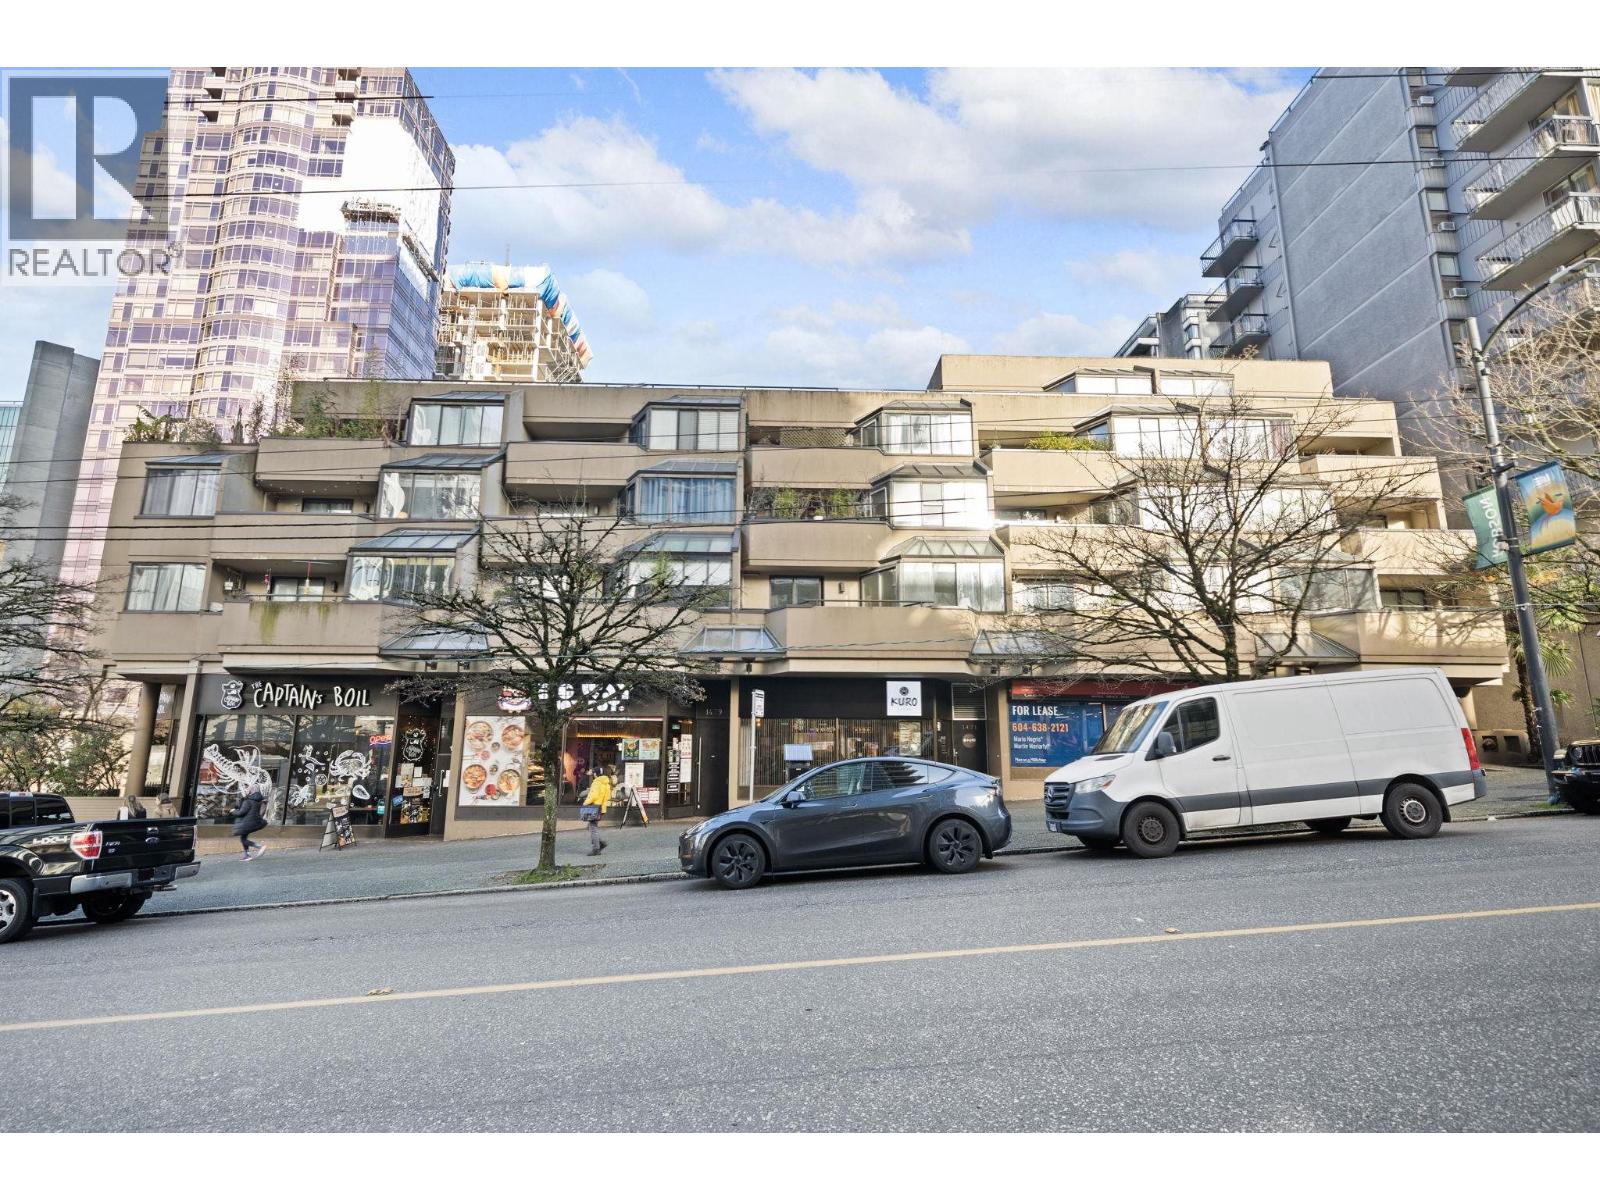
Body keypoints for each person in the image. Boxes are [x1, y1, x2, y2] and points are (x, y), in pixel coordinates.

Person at [229, 785, 269, 861]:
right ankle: (247, 855)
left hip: (246, 823)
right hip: (251, 822)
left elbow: (241, 813)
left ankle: (260, 847)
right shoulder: (257, 801)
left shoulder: (248, 801)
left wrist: (233, 811)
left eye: (248, 790)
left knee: (243, 839)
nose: (246, 791)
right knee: (243, 838)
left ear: (251, 791)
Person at [582, 767, 613, 856]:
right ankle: (600, 843)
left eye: (593, 772)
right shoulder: (606, 783)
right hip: (601, 808)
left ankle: (596, 848)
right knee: (591, 826)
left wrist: (585, 803)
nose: (593, 774)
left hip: (594, 807)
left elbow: (593, 795)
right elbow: (608, 796)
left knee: (592, 827)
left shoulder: (596, 782)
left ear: (596, 774)